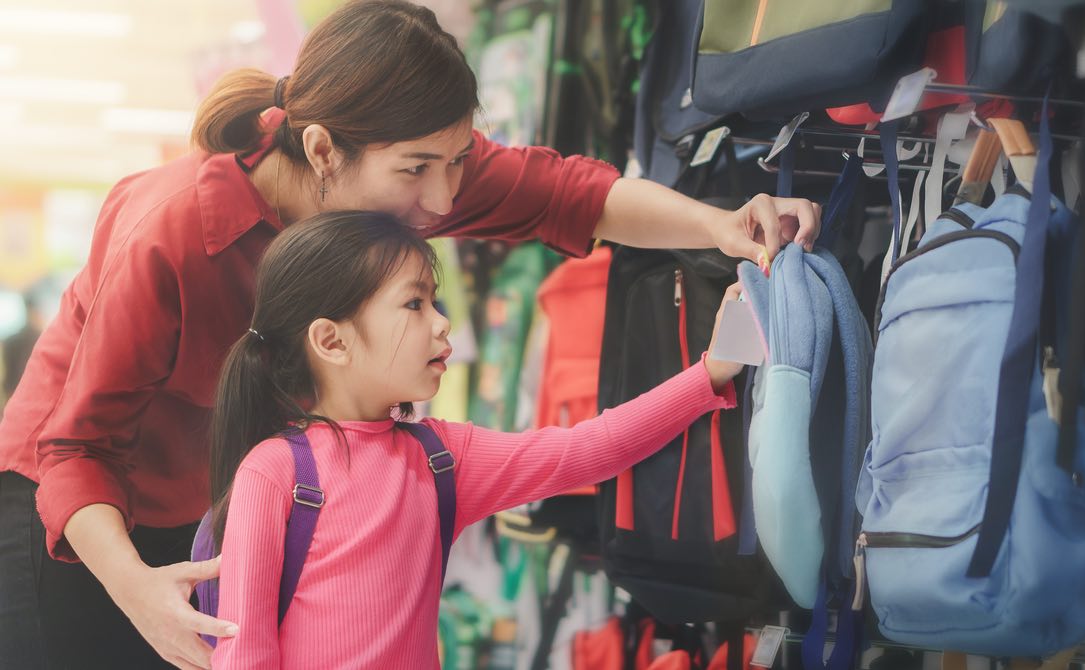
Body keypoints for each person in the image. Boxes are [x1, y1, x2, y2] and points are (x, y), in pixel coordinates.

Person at [0, 1, 820, 668]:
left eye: (457, 160)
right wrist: (138, 589)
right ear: (321, 149)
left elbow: (574, 196)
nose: (442, 198)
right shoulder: (176, 231)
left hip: (206, 500)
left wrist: (725, 226)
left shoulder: (396, 184)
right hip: (71, 514)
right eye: (422, 169)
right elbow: (75, 449)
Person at [209, 210, 744, 668]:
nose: (443, 326)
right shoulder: (273, 473)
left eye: (435, 302)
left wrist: (709, 374)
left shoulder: (440, 458)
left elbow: (589, 449)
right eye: (414, 304)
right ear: (332, 340)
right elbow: (244, 656)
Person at [2, 293, 43, 402]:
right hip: (34, 393)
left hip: (15, 393)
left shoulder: (10, 340)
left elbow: (8, 374)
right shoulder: (41, 338)